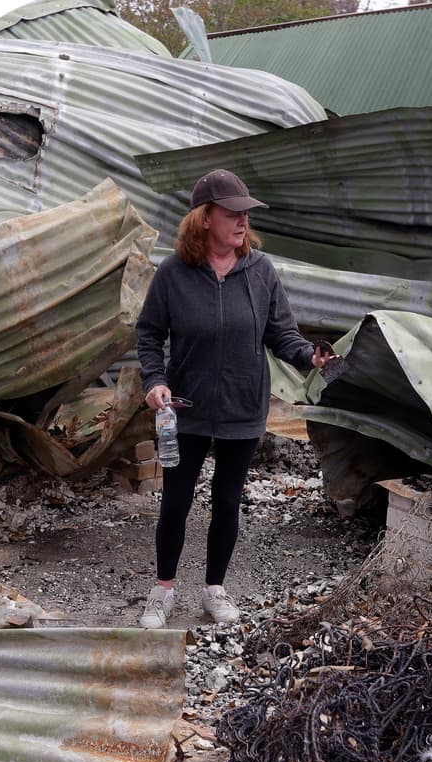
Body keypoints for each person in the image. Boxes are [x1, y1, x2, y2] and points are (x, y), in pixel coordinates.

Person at [134, 168, 334, 629]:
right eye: (232, 214)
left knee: (227, 502)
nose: (243, 221)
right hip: (185, 408)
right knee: (176, 504)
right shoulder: (173, 274)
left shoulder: (260, 271)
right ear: (205, 219)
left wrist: (310, 356)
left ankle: (214, 590)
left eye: (246, 214)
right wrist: (154, 381)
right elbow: (149, 335)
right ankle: (163, 590)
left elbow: (282, 334)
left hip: (242, 407)